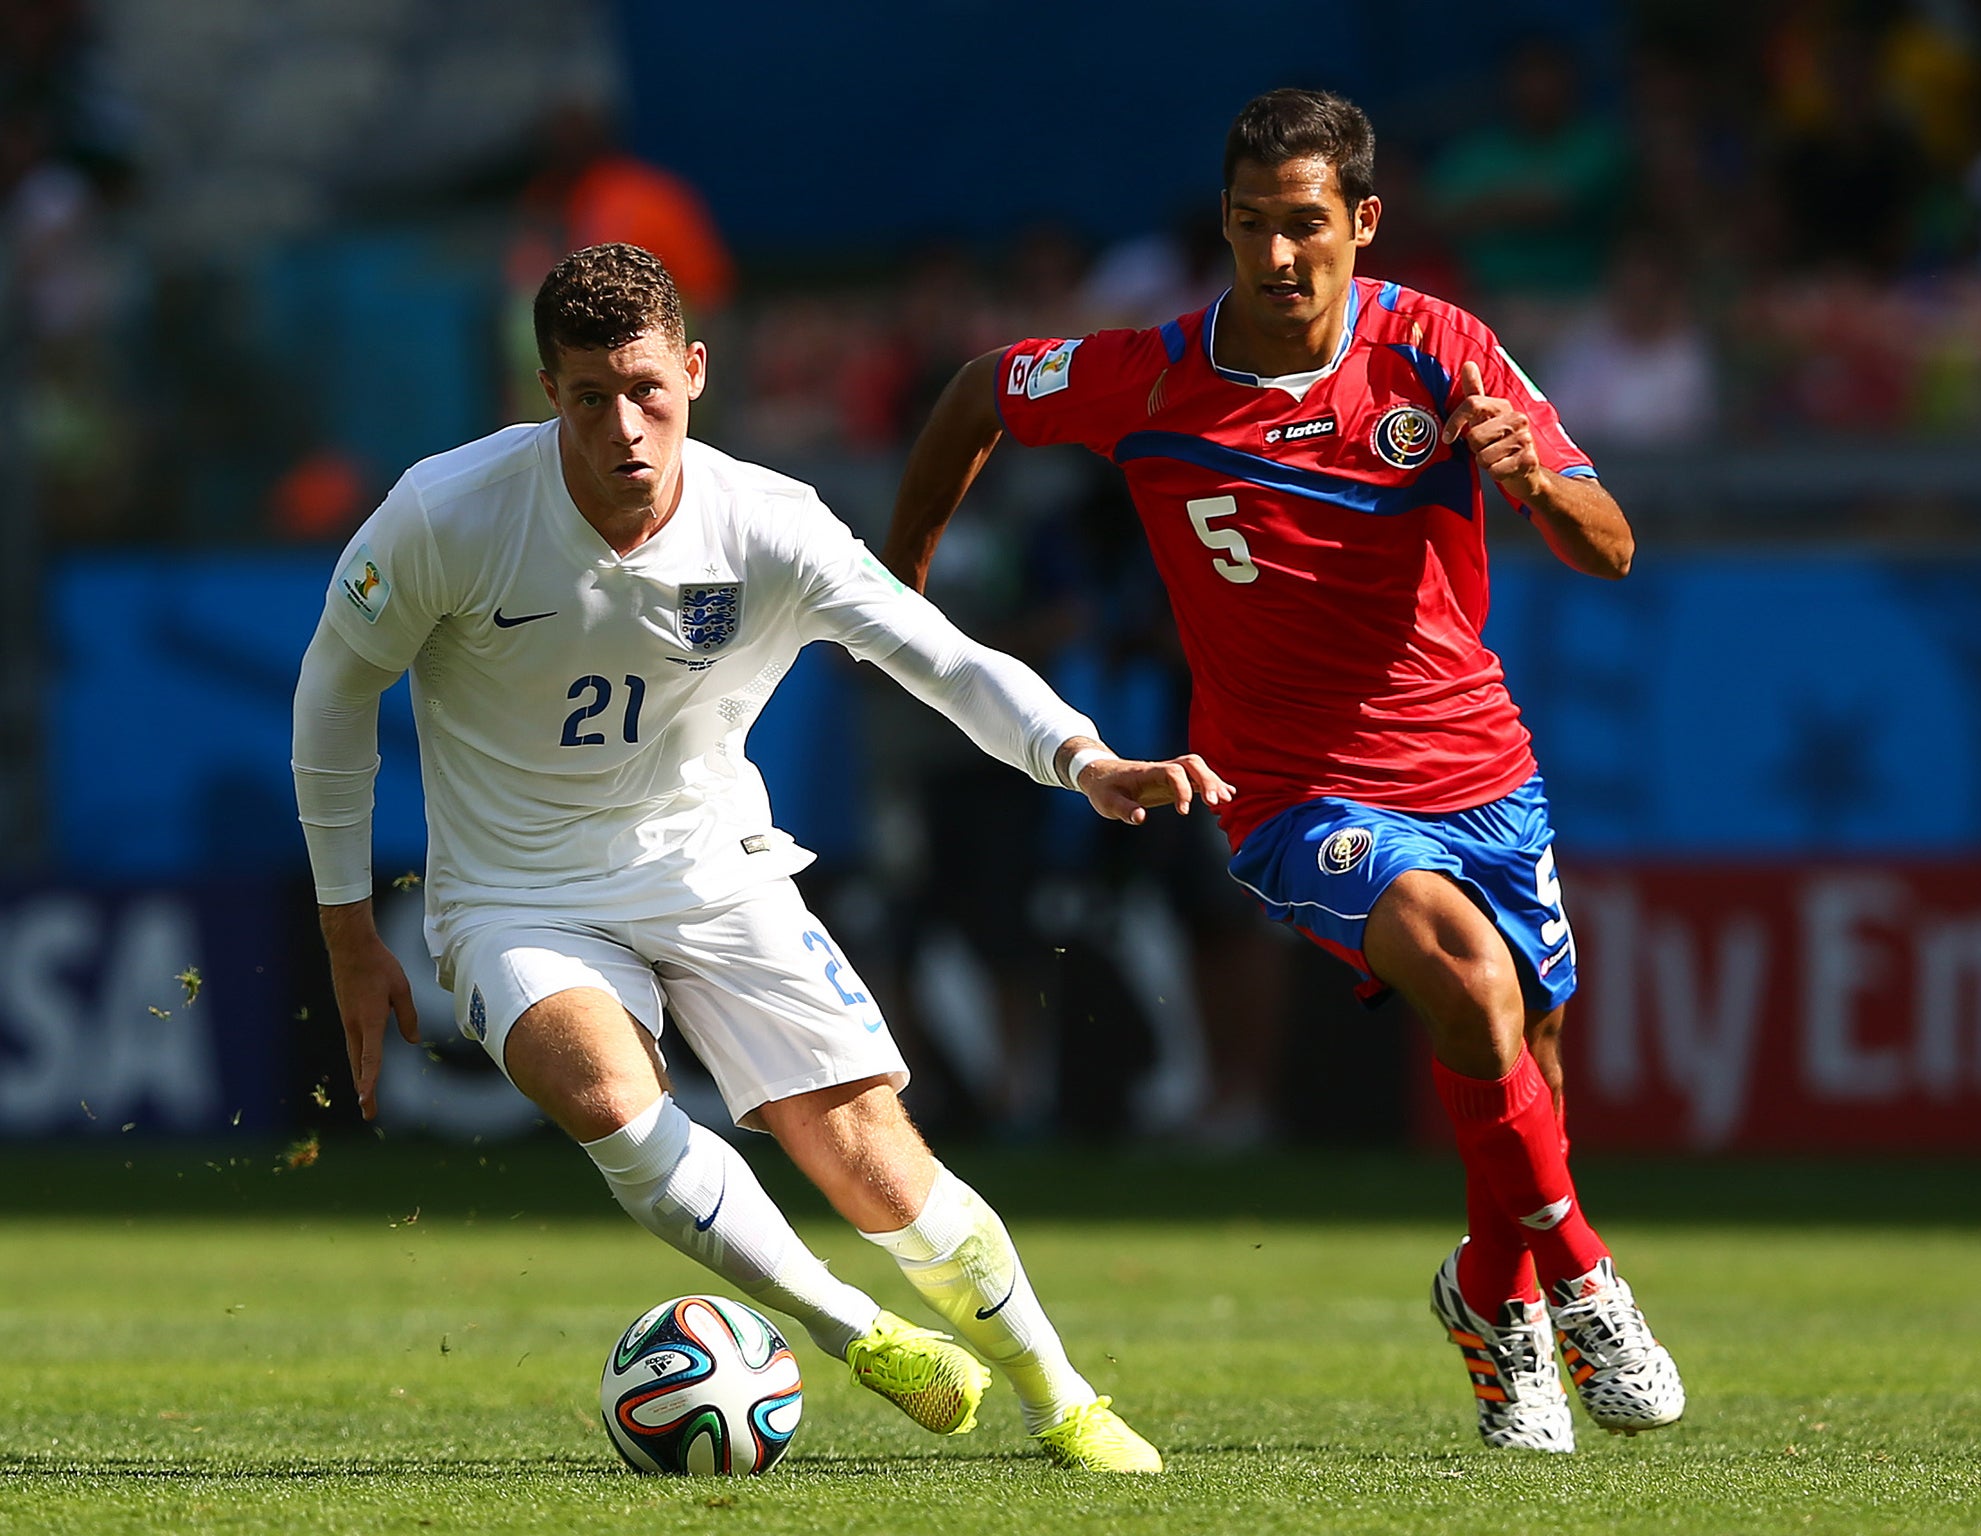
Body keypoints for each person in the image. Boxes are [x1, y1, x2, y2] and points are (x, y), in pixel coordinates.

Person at [292, 242, 1232, 1472]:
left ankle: (1062, 1399)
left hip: (713, 866)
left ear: (693, 370)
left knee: (873, 1164)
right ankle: (854, 1328)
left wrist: (1081, 754)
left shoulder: (766, 524)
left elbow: (933, 653)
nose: (623, 426)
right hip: (518, 894)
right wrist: (347, 931)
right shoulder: (444, 512)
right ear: (546, 394)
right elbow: (332, 691)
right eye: (588, 398)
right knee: (606, 1096)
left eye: (645, 391)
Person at [883, 89, 1685, 1454]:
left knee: (1527, 1066)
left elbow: (1610, 546)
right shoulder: (1150, 372)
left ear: (1362, 224)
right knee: (1470, 981)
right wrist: (895, 594)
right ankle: (1588, 1277)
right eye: (1251, 225)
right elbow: (977, 392)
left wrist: (1536, 486)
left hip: (1480, 763)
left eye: (1305, 224)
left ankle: (1490, 1293)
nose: (1277, 256)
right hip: (1290, 785)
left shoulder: (1440, 350)